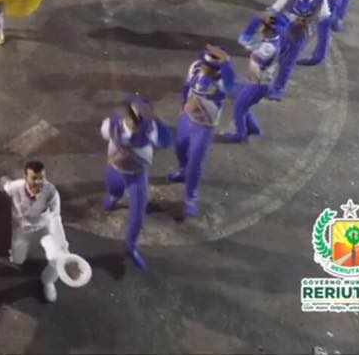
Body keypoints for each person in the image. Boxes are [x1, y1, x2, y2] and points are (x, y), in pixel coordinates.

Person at [101, 95, 172, 270]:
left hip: (137, 177)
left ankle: (131, 247)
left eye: (142, 121)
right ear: (127, 116)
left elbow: (166, 141)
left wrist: (159, 121)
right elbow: (106, 135)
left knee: (138, 217)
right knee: (114, 189)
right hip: (115, 170)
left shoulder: (152, 130)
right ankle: (114, 197)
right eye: (136, 120)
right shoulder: (111, 125)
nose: (139, 126)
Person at [167, 44, 235, 217]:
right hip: (187, 118)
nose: (207, 68)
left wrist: (226, 63)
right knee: (180, 148)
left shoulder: (222, 82)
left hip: (204, 126)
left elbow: (231, 87)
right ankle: (183, 172)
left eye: (212, 67)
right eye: (206, 64)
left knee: (195, 162)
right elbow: (187, 88)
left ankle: (191, 197)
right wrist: (183, 105)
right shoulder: (196, 68)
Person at [1, 160, 71, 302]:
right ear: (25, 177)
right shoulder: (15, 187)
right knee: (18, 260)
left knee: (57, 258)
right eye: (34, 178)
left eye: (42, 177)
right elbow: (6, 186)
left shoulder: (51, 193)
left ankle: (48, 281)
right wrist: (3, 180)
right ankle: (15, 254)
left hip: (43, 228)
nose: (39, 182)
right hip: (21, 229)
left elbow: (56, 217)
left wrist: (62, 243)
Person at [265, 0, 329, 100]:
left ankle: (278, 88)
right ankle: (263, 82)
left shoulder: (321, 2)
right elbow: (273, 11)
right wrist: (269, 29)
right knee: (270, 56)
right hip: (281, 32)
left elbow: (324, 17)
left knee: (288, 64)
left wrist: (310, 24)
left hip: (299, 37)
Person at [221, 14, 281, 142]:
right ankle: (253, 128)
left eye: (263, 26)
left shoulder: (268, 48)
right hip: (257, 82)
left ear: (270, 30)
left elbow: (243, 40)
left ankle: (241, 134)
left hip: (258, 85)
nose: (260, 28)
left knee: (239, 106)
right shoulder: (271, 40)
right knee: (243, 104)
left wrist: (253, 24)